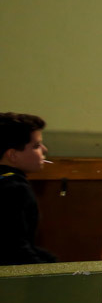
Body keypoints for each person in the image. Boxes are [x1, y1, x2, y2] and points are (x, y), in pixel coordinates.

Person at [0, 112, 57, 265]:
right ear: (12, 155)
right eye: (36, 146)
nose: (44, 150)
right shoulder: (14, 189)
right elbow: (14, 250)